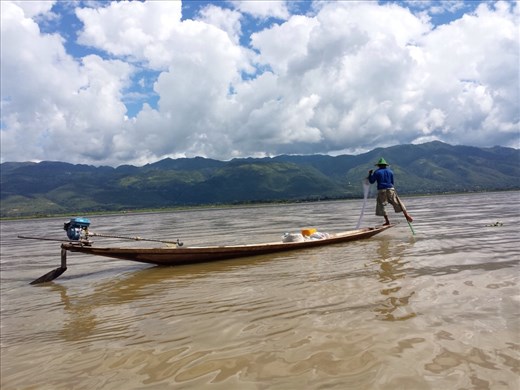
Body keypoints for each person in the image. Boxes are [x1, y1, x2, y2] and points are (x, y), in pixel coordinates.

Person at [368, 157, 413, 225]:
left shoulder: (377, 172)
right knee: (398, 203)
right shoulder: (390, 172)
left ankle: (387, 221)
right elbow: (392, 182)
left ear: (379, 165)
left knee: (381, 205)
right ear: (385, 165)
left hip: (382, 190)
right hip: (391, 189)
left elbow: (371, 181)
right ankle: (406, 215)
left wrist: (370, 174)